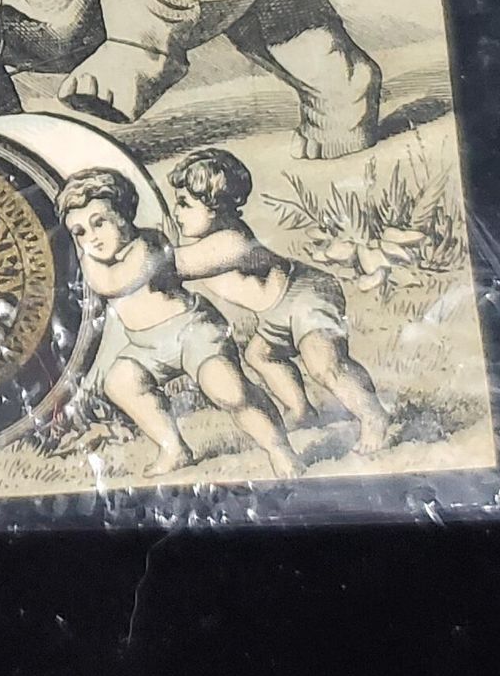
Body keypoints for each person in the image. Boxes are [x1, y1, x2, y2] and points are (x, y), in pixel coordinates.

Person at [57, 169, 303, 481]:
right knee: (120, 383)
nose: (91, 238)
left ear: (124, 214)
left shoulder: (147, 245)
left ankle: (278, 447)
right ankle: (173, 448)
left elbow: (114, 283)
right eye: (79, 232)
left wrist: (87, 259)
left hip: (192, 331)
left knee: (228, 390)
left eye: (99, 223)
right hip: (147, 345)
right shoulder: (97, 261)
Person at [161, 148, 392, 456]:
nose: (176, 213)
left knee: (324, 364)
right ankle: (301, 411)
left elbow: (176, 265)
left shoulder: (231, 242)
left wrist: (138, 252)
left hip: (305, 293)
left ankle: (373, 415)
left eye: (184, 204)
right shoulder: (206, 238)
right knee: (261, 355)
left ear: (216, 208)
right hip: (276, 311)